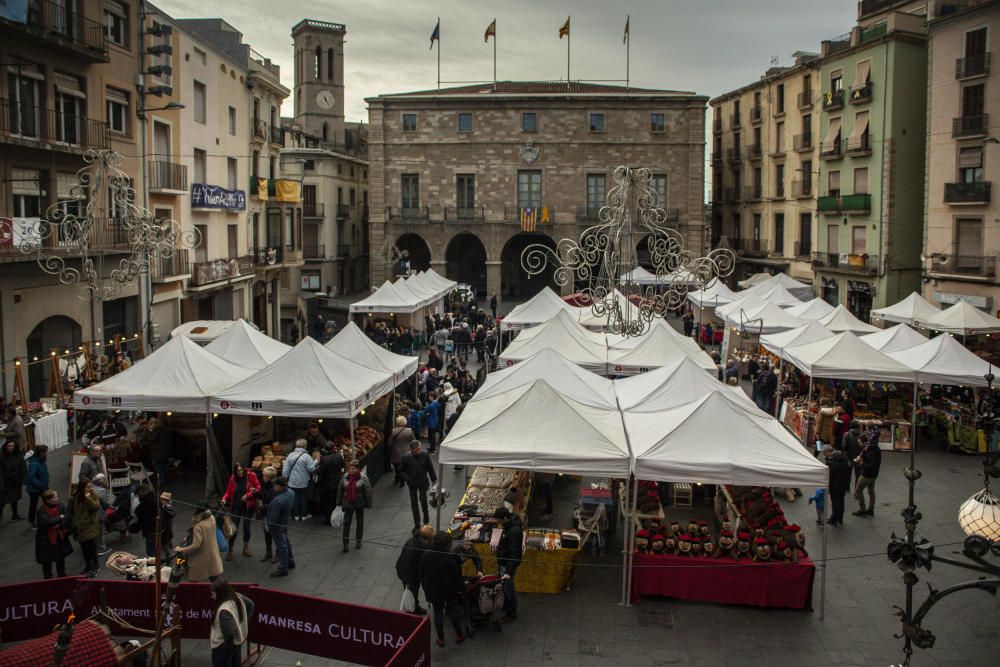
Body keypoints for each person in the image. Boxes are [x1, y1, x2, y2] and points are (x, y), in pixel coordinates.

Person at [419, 531, 466, 647]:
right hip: (449, 591)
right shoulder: (451, 558)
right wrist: (460, 589)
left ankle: (440, 638)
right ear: (447, 545)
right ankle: (459, 635)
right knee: (453, 612)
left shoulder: (426, 554)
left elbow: (422, 573)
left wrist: (425, 587)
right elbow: (457, 576)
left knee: (438, 613)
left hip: (434, 591)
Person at [209, 578, 254, 667]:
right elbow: (250, 604)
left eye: (213, 594)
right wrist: (243, 625)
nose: (212, 597)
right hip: (237, 643)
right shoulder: (237, 596)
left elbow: (229, 634)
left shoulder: (224, 610)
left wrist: (226, 647)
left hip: (223, 648)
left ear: (221, 593)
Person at [220, 463, 261, 560]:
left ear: (244, 469)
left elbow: (258, 487)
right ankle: (230, 549)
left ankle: (246, 547)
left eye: (241, 470)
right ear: (235, 471)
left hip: (248, 506)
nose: (240, 472)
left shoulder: (251, 475)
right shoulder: (233, 478)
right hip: (236, 506)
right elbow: (228, 492)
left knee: (247, 527)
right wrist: (224, 499)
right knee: (233, 528)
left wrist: (248, 495)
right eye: (238, 471)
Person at [175, 501, 224, 582]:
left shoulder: (198, 526)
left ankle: (180, 569)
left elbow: (196, 545)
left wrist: (181, 549)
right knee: (214, 579)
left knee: (194, 581)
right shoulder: (212, 518)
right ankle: (218, 594)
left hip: (200, 557)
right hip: (212, 554)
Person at [396, 524, 433, 615]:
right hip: (409, 576)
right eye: (430, 540)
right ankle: (412, 610)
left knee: (413, 592)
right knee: (412, 593)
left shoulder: (418, 542)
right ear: (425, 539)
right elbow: (406, 565)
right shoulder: (413, 547)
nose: (431, 541)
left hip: (414, 573)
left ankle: (414, 607)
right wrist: (408, 581)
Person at [35, 489, 73, 579]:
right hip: (46, 540)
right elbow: (47, 522)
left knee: (61, 558)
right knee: (47, 561)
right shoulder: (41, 511)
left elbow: (67, 517)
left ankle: (62, 575)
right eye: (54, 497)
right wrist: (60, 517)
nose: (57, 498)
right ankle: (48, 578)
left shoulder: (60, 506)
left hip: (59, 537)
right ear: (48, 500)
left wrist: (59, 524)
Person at [493, 507, 522, 621]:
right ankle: (506, 605)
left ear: (505, 518)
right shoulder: (508, 526)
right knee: (505, 587)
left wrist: (508, 572)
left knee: (509, 588)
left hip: (507, 566)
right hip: (504, 563)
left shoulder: (514, 531)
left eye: (499, 521)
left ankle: (512, 613)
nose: (498, 523)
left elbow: (516, 554)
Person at [336, 461, 372, 553]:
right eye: (349, 468)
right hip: (348, 502)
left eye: (353, 469)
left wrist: (368, 503)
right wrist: (338, 502)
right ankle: (345, 543)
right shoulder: (345, 477)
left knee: (360, 522)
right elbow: (340, 489)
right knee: (346, 522)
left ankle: (358, 540)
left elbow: (368, 491)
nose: (350, 470)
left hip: (359, 503)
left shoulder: (363, 478)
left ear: (358, 469)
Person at [400, 440, 437, 528]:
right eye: (416, 450)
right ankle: (417, 523)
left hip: (423, 482)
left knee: (423, 500)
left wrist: (434, 480)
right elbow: (401, 470)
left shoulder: (425, 455)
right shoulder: (405, 458)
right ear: (411, 449)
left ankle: (426, 519)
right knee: (414, 503)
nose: (418, 451)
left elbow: (430, 468)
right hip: (412, 483)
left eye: (419, 449)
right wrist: (407, 479)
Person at [68, 480, 101, 577]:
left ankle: (96, 566)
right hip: (79, 527)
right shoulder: (73, 498)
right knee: (84, 548)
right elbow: (70, 511)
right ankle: (88, 565)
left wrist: (88, 498)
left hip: (89, 526)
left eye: (90, 487)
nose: (89, 489)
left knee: (91, 548)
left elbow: (95, 507)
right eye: (87, 487)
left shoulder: (92, 495)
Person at [267, 476, 295, 577]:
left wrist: (269, 526)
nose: (274, 487)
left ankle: (283, 568)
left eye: (275, 485)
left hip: (277, 526)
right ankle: (290, 561)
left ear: (280, 486)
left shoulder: (278, 500)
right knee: (286, 542)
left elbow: (273, 519)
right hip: (285, 521)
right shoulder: (291, 493)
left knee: (281, 546)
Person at [282, 439, 316, 521]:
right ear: (305, 446)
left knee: (295, 498)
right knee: (304, 498)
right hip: (304, 481)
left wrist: (285, 477)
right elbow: (311, 469)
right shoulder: (306, 456)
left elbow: (286, 470)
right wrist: (316, 461)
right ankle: (304, 515)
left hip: (292, 481)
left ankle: (296, 515)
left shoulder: (290, 455)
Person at [853, 431, 882, 517]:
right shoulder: (875, 449)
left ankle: (862, 509)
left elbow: (870, 465)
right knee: (871, 491)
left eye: (859, 442)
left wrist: (861, 462)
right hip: (874, 474)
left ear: (865, 442)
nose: (859, 444)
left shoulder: (869, 452)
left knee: (858, 490)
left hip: (867, 474)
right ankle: (871, 508)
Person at [315, 445, 345, 523]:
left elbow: (320, 472)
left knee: (328, 502)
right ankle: (337, 517)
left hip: (327, 483)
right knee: (335, 500)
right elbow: (343, 465)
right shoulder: (339, 456)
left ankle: (328, 519)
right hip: (338, 481)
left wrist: (316, 468)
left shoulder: (324, 459)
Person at [0, 439, 26, 520]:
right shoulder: (1, 457)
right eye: (9, 446)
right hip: (6, 482)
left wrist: (25, 479)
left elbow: (23, 468)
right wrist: (1, 484)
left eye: (12, 446)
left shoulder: (19, 455)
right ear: (6, 447)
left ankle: (15, 515)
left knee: (15, 499)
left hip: (16, 481)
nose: (10, 447)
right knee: (3, 500)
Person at [131, 483, 159, 557]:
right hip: (160, 528)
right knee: (160, 548)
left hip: (150, 530)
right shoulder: (156, 500)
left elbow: (140, 521)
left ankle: (154, 566)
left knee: (151, 551)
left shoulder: (141, 506)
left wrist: (132, 528)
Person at [256, 467, 277, 563]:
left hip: (270, 515)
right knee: (267, 534)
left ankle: (277, 554)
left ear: (269, 477)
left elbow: (273, 504)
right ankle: (268, 552)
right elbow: (263, 496)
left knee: (274, 534)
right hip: (265, 514)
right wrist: (256, 494)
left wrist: (262, 506)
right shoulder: (265, 486)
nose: (262, 476)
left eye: (264, 475)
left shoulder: (273, 489)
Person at [826, 450, 852, 526]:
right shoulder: (846, 464)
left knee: (835, 503)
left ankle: (834, 518)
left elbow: (830, 475)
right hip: (843, 486)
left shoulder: (833, 465)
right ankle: (840, 518)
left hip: (834, 486)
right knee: (841, 502)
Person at [26, 445, 49, 527]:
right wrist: (42, 485)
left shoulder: (41, 460)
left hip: (42, 486)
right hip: (35, 489)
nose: (47, 453)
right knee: (34, 504)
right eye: (46, 451)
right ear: (41, 453)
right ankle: (32, 521)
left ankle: (48, 517)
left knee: (47, 502)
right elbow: (31, 477)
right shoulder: (34, 463)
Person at [389, 416, 415, 488]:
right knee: (404, 467)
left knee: (397, 467)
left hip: (396, 453)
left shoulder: (393, 431)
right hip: (406, 452)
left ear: (397, 422)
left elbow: (389, 443)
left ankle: (397, 477)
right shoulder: (410, 431)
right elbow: (413, 441)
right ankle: (402, 480)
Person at [840, 420, 863, 485]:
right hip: (859, 456)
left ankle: (847, 486)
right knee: (858, 474)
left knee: (847, 473)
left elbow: (844, 445)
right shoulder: (862, 434)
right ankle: (857, 487)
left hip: (849, 456)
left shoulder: (846, 434)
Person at [159, 492, 176, 560]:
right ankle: (169, 552)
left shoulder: (167, 508)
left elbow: (172, 514)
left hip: (166, 529)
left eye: (163, 499)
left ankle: (168, 555)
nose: (161, 501)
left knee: (165, 543)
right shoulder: (163, 507)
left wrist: (164, 507)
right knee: (167, 542)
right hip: (165, 528)